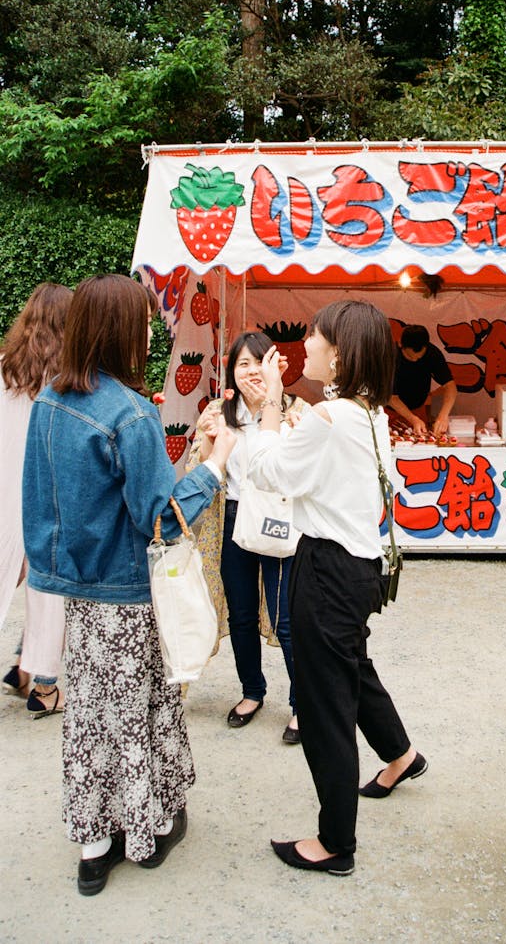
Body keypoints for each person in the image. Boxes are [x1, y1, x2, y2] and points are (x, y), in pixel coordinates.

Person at [21, 274, 236, 897]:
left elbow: (42, 505)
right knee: (142, 713)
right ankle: (149, 831)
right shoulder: (132, 412)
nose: (150, 331)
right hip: (132, 594)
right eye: (144, 321)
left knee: (89, 716)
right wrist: (213, 467)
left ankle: (94, 847)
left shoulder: (48, 404)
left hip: (80, 599)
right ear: (120, 330)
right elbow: (161, 519)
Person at [249, 299, 427, 876]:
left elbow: (266, 472)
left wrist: (271, 407)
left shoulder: (330, 418)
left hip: (325, 569)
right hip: (360, 568)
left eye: (316, 336)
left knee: (325, 705)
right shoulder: (368, 413)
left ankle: (335, 842)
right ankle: (400, 755)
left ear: (340, 353)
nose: (307, 344)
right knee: (351, 666)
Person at [187, 331, 303, 742]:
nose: (252, 371)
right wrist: (204, 438)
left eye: (260, 362)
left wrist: (297, 428)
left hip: (276, 520)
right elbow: (195, 472)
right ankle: (252, 691)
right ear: (231, 371)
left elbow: (308, 469)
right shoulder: (220, 412)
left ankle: (301, 704)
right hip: (234, 518)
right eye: (243, 364)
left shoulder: (294, 409)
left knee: (286, 617)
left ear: (274, 366)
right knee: (240, 614)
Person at [1, 282, 73, 718]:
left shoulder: (4, 370)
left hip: (3, 489)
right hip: (47, 494)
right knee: (49, 592)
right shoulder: (68, 383)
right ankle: (44, 686)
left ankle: (21, 665)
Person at [388, 323, 457, 437]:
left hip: (418, 410)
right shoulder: (390, 357)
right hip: (391, 411)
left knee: (419, 446)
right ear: (400, 343)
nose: (415, 360)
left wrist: (443, 415)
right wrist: (413, 419)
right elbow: (391, 398)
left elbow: (451, 386)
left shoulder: (432, 353)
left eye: (419, 357)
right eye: (410, 356)